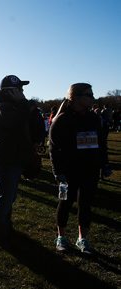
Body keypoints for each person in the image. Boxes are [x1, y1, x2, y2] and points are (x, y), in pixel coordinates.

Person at [49, 83, 110, 254]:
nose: (93, 98)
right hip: (69, 171)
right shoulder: (62, 120)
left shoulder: (94, 119)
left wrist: (104, 164)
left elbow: (101, 144)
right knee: (65, 203)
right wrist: (57, 171)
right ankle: (61, 237)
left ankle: (82, 239)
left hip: (90, 169)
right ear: (75, 97)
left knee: (85, 205)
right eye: (89, 95)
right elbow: (53, 148)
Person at [0, 75, 34, 241]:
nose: (22, 92)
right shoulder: (1, 107)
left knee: (9, 196)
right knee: (5, 197)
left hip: (10, 156)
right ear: (10, 92)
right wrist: (23, 103)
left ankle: (4, 225)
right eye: (19, 89)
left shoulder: (6, 106)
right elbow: (16, 122)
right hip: (5, 157)